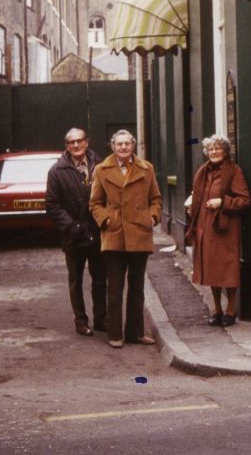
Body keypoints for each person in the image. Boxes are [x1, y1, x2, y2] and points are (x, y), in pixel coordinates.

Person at [89, 129, 162, 348]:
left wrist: (152, 216)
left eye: (127, 144)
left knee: (137, 287)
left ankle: (135, 332)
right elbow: (95, 204)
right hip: (114, 235)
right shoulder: (101, 170)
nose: (123, 148)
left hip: (140, 233)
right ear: (112, 146)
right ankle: (114, 333)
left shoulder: (146, 168)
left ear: (133, 146)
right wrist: (106, 220)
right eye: (119, 144)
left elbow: (156, 199)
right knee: (115, 288)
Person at [46, 128, 106, 337]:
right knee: (76, 279)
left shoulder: (101, 165)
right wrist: (73, 227)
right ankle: (81, 321)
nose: (76, 145)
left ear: (87, 142)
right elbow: (52, 205)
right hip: (73, 235)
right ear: (66, 146)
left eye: (80, 141)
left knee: (100, 278)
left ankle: (101, 318)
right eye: (71, 142)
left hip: (98, 232)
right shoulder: (57, 171)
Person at [185, 134, 251, 327]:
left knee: (227, 269)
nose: (213, 152)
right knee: (211, 270)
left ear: (225, 151)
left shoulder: (234, 171)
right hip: (205, 226)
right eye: (210, 149)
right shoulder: (203, 172)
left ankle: (230, 310)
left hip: (225, 227)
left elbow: (245, 200)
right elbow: (198, 196)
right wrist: (192, 206)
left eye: (217, 148)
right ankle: (217, 310)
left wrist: (223, 202)